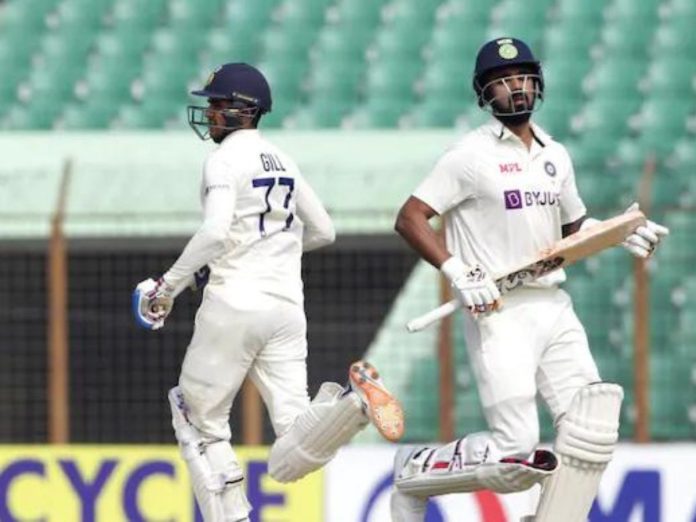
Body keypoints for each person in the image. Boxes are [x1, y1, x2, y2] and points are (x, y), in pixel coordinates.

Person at [390, 37, 669, 521]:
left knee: (591, 430)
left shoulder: (555, 154)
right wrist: (458, 271)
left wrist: (618, 232)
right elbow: (410, 217)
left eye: (521, 78)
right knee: (515, 455)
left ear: (536, 83)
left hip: (553, 305)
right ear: (484, 94)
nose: (514, 89)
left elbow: (572, 230)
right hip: (499, 311)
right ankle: (417, 469)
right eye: (501, 83)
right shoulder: (468, 156)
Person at [132, 63, 404, 522]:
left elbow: (217, 232)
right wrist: (271, 249)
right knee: (294, 441)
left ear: (241, 110)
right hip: (285, 309)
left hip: (234, 303)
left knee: (196, 417)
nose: (211, 114)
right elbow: (324, 230)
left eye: (217, 105)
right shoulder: (283, 159)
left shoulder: (223, 159)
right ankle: (351, 407)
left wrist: (169, 285)